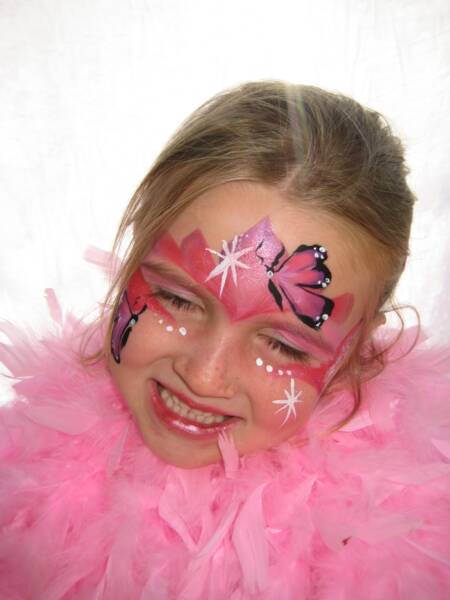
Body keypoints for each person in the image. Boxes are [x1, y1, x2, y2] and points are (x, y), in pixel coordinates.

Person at [1, 81, 449, 599]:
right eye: (177, 300)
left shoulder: (395, 557)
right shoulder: (20, 484)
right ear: (135, 253)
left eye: (284, 346)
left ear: (357, 356)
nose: (204, 375)